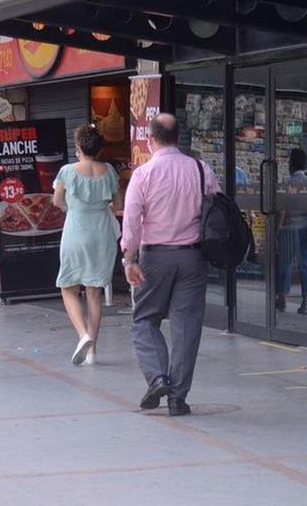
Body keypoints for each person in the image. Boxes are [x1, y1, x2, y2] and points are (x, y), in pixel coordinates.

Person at [122, 114, 220, 416]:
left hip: (155, 258)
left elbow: (132, 219)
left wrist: (129, 259)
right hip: (192, 257)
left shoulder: (143, 174)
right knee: (186, 328)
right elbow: (217, 210)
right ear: (179, 137)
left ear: (150, 140)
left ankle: (157, 377)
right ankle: (178, 398)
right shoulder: (201, 170)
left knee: (144, 319)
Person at [54, 124, 122, 366]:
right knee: (94, 292)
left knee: (68, 287)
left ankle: (83, 335)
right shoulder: (109, 171)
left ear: (78, 146)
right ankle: (92, 352)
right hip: (102, 233)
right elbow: (118, 203)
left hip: (76, 230)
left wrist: (73, 207)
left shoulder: (67, 172)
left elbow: (57, 201)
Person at [275, 148, 307, 315]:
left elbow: (282, 212)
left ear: (291, 163)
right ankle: (306, 302)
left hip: (289, 229)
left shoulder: (287, 184)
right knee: (305, 264)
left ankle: (282, 298)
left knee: (286, 263)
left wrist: (277, 232)